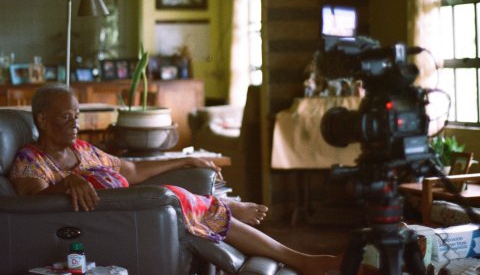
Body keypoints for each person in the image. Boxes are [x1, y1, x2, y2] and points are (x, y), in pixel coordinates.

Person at [9, 84, 340, 275]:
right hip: (113, 218)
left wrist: (187, 160)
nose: (75, 124)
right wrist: (65, 184)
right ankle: (295, 257)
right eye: (66, 117)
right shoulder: (30, 159)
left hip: (137, 211)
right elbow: (32, 203)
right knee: (173, 197)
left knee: (176, 197)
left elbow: (133, 171)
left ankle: (290, 255)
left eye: (77, 116)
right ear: (42, 119)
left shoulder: (83, 149)